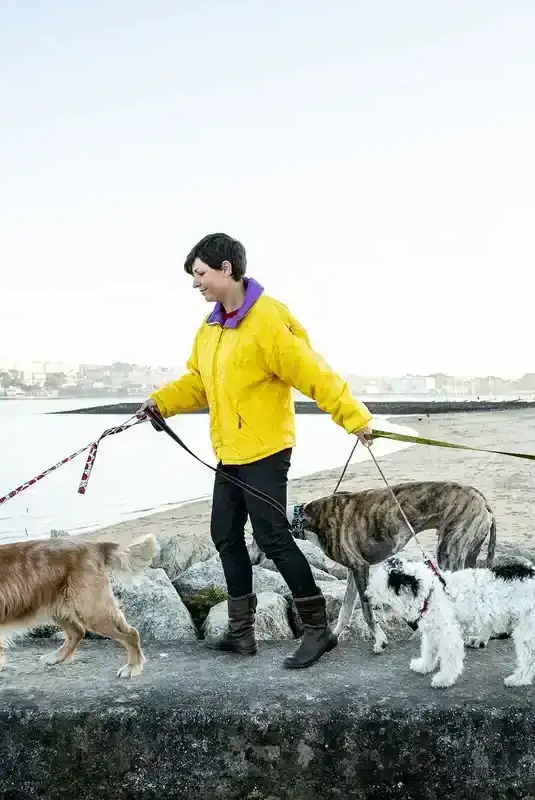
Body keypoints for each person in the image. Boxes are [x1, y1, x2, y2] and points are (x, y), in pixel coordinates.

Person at [139, 233, 373, 669]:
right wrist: (161, 402)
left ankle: (317, 630)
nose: (197, 285)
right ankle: (242, 634)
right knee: (224, 534)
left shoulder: (268, 320)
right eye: (194, 276)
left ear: (227, 268)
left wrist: (354, 418)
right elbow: (199, 383)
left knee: (272, 537)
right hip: (229, 450)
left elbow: (314, 373)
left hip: (266, 450)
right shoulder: (210, 329)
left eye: (201, 274)